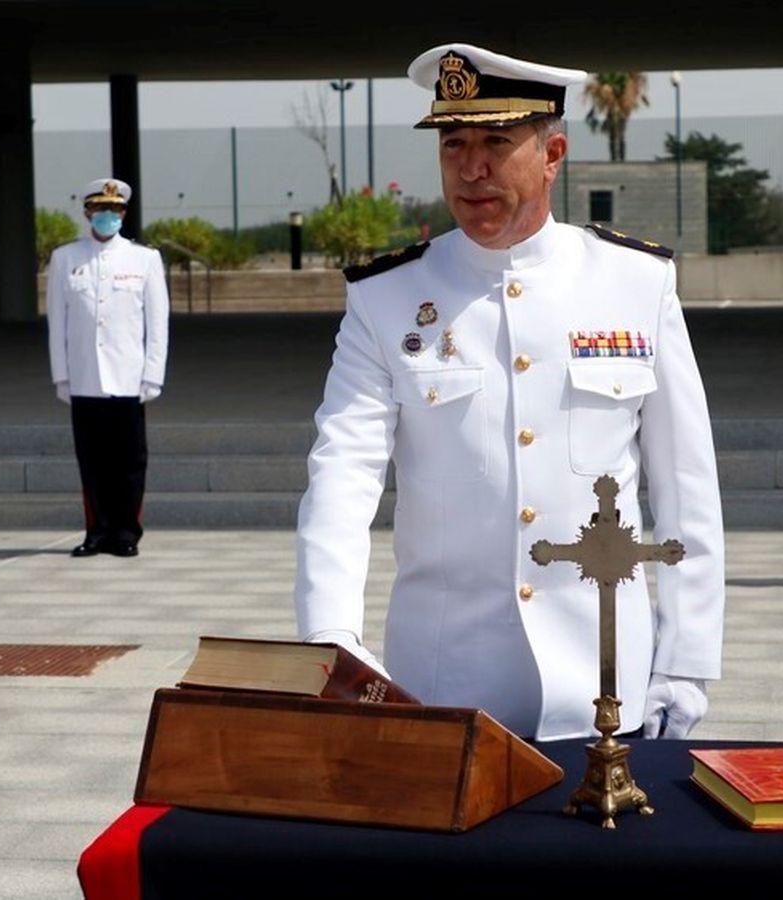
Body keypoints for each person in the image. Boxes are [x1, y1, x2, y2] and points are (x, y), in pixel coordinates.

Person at [293, 44, 725, 741]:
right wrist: (330, 633)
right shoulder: (387, 299)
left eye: (496, 141)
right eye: (454, 142)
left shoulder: (634, 283)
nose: (472, 168)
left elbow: (685, 485)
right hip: (445, 684)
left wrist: (686, 659)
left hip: (607, 680)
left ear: (552, 153)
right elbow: (342, 474)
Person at [47, 178, 169, 558]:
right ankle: (96, 531)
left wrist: (153, 373)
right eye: (100, 210)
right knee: (92, 461)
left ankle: (126, 532)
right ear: (87, 213)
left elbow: (157, 322)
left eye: (114, 211)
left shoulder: (144, 259)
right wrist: (61, 374)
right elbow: (57, 322)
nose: (107, 217)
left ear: (123, 214)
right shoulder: (65, 258)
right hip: (84, 376)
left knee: (130, 462)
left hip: (129, 376)